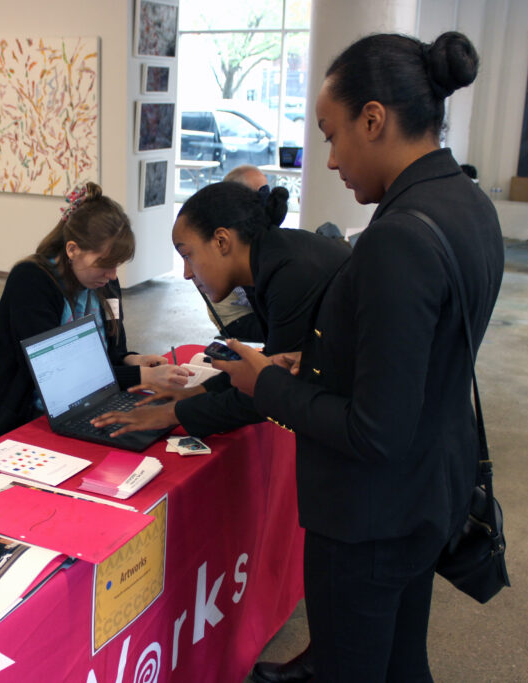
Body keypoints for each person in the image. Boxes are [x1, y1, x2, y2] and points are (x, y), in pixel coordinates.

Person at [211, 31, 503, 681]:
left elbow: (375, 430)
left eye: (332, 134)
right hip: (427, 492)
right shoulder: (468, 204)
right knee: (401, 663)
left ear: (373, 119)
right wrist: (318, 369)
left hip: (369, 517)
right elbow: (421, 360)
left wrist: (267, 384)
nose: (332, 159)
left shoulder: (397, 237)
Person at [89, 181, 350, 441]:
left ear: (222, 241)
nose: (187, 273)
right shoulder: (269, 259)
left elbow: (271, 388)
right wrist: (196, 391)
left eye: (188, 256)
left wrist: (172, 414)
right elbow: (271, 365)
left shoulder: (289, 275)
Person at [0, 182, 189, 448]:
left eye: (117, 265)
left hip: (88, 403)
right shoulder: (31, 281)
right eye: (105, 264)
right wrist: (143, 378)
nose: (112, 275)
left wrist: (134, 360)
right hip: (20, 413)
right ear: (72, 250)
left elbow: (114, 351)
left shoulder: (104, 283)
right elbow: (59, 378)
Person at [204, 164, 273, 343]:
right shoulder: (227, 234)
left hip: (255, 311)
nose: (266, 199)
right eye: (259, 193)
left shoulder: (246, 228)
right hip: (239, 319)